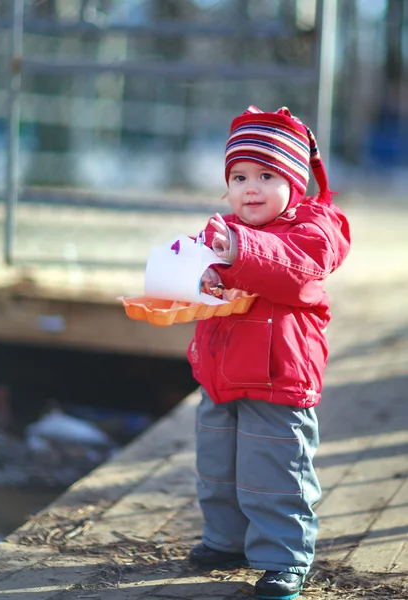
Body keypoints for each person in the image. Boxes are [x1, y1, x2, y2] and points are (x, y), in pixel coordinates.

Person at [186, 105, 351, 600]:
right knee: (217, 466)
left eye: (265, 175)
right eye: (238, 177)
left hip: (278, 379)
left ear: (295, 183)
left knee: (274, 472)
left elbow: (294, 271)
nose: (249, 187)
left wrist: (236, 252)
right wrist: (200, 271)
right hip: (221, 372)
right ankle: (226, 539)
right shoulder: (225, 230)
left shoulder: (315, 230)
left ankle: (282, 559)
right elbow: (202, 272)